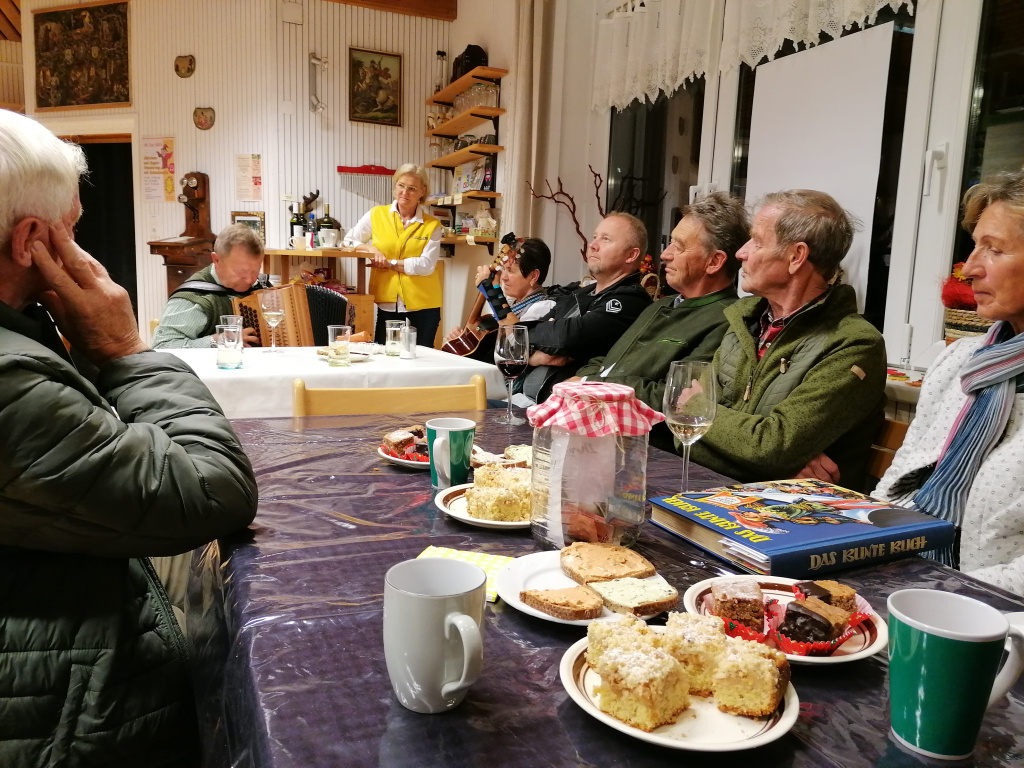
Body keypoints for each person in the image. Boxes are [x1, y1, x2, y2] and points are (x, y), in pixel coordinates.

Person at [0, 109, 258, 766]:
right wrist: (123, 347)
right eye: (73, 232)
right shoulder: (10, 384)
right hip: (70, 712)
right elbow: (213, 489)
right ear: (31, 238)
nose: (84, 253)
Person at [873, 170, 1024, 596]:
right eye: (974, 247)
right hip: (902, 573)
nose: (969, 269)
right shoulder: (961, 359)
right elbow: (899, 474)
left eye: (993, 250)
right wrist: (861, 547)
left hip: (985, 613)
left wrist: (931, 591)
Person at [687, 189, 887, 488]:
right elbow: (686, 440)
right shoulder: (745, 321)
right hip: (724, 493)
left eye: (756, 241)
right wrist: (773, 467)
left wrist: (697, 410)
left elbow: (772, 446)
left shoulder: (854, 344)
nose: (741, 252)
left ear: (796, 257)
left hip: (800, 518)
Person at [573, 192, 748, 447]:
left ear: (714, 261)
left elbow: (677, 397)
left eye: (679, 246)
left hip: (642, 448)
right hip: (595, 428)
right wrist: (584, 379)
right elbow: (608, 361)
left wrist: (592, 384)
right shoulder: (662, 304)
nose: (665, 254)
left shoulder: (727, 319)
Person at [514, 212, 653, 404]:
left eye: (606, 239)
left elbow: (565, 337)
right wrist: (533, 357)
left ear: (631, 255)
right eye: (595, 237)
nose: (593, 245)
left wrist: (548, 330)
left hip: (565, 410)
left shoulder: (630, 300)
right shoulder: (580, 293)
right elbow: (520, 337)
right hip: (523, 397)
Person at [344, 164, 444, 346]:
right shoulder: (376, 215)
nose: (405, 192)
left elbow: (426, 265)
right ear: (395, 186)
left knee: (422, 358)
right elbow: (349, 240)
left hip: (425, 303)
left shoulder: (433, 225)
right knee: (385, 357)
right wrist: (371, 249)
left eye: (412, 188)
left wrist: (390, 263)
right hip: (388, 302)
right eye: (401, 185)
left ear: (423, 192)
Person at [152, 222, 270, 349]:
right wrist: (217, 340)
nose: (249, 279)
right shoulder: (192, 299)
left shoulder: (261, 286)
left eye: (256, 270)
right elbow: (161, 347)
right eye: (241, 272)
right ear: (216, 260)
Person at [444, 237, 556, 357]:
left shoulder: (543, 307)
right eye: (503, 270)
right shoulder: (511, 302)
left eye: (511, 271)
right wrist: (465, 338)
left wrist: (491, 290)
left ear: (534, 276)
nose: (503, 277)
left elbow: (518, 344)